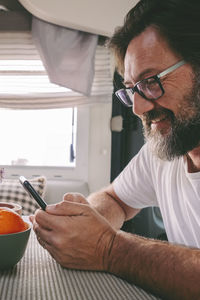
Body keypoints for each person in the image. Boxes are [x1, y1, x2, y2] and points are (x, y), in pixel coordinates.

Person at [30, 0, 200, 299]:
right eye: (132, 89)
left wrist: (108, 248)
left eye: (151, 81)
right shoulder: (163, 151)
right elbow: (116, 199)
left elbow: (108, 246)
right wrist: (85, 222)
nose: (138, 108)